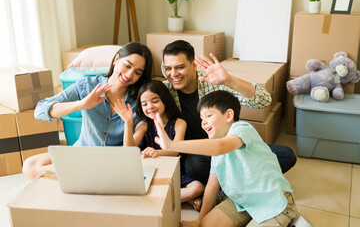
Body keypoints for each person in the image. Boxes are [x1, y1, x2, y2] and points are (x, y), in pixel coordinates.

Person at [154, 90, 299, 227]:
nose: (203, 122)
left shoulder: (242, 128)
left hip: (274, 202)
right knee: (206, 224)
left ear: (228, 115)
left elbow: (220, 147)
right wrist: (199, 220)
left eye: (208, 116)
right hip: (243, 201)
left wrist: (172, 145)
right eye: (201, 118)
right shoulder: (217, 148)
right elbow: (211, 186)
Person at [161, 40, 297, 185]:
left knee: (286, 155)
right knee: (194, 166)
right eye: (168, 68)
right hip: (200, 153)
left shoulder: (212, 80)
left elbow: (263, 101)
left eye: (179, 67)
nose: (173, 74)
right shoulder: (164, 91)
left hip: (229, 148)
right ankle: (243, 180)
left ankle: (230, 183)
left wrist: (228, 80)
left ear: (194, 65)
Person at [22, 41, 153, 180]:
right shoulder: (87, 85)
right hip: (81, 154)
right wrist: (81, 104)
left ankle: (78, 179)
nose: (129, 74)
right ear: (116, 59)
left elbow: (131, 152)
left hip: (114, 163)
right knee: (30, 165)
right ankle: (83, 178)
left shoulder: (141, 100)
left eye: (137, 72)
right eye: (127, 65)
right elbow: (40, 111)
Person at [113, 80, 204, 210]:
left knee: (197, 188)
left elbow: (174, 151)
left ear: (165, 101)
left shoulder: (179, 123)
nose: (150, 106)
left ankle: (154, 201)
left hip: (176, 169)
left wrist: (158, 152)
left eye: (155, 101)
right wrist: (127, 123)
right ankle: (185, 201)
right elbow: (129, 149)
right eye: (144, 104)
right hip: (153, 170)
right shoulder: (144, 124)